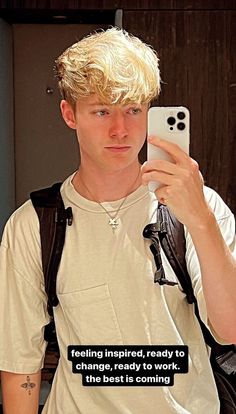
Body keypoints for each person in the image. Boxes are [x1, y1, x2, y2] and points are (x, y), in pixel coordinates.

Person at [0, 27, 236, 414]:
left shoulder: (197, 209)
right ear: (69, 114)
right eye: (101, 111)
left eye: (132, 110)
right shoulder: (33, 226)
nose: (120, 130)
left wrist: (201, 221)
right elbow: (20, 361)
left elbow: (230, 329)